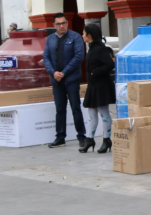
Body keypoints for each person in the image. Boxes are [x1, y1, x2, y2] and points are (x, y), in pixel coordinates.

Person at [43, 13, 86, 148]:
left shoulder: (75, 37)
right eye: (58, 24)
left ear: (67, 23)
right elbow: (46, 57)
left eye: (63, 23)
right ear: (53, 25)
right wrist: (53, 73)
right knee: (60, 109)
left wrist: (64, 72)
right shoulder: (50, 39)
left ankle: (82, 137)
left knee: (75, 108)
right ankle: (60, 137)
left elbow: (79, 57)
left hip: (71, 79)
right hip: (57, 81)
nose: (61, 26)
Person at [81, 23, 115, 154]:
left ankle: (107, 139)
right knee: (91, 113)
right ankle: (89, 139)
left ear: (89, 35)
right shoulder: (92, 47)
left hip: (101, 86)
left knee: (104, 113)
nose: (82, 35)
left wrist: (95, 72)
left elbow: (109, 64)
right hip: (93, 85)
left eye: (84, 33)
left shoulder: (100, 48)